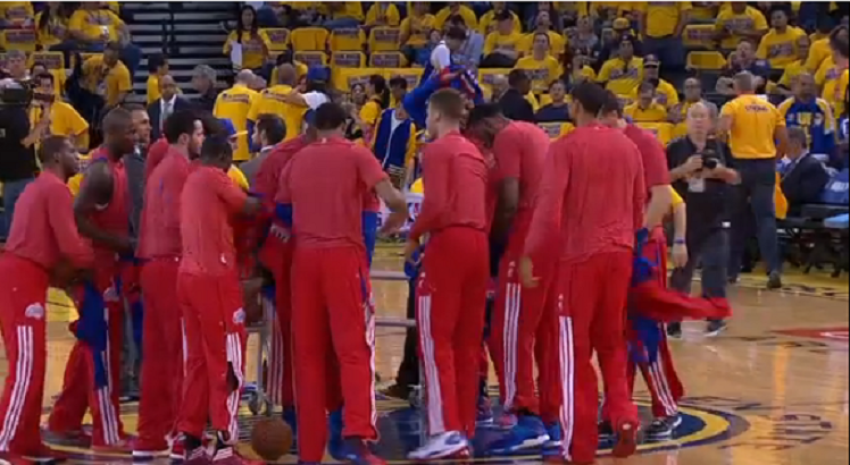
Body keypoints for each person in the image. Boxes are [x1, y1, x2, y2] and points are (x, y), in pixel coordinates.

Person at [276, 102, 407, 464]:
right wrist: (397, 216)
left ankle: (309, 449)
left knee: (308, 357)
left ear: (314, 127)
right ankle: (358, 439)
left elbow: (282, 213)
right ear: (346, 124)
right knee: (354, 351)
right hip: (342, 257)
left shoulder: (295, 161)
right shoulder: (357, 155)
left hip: (304, 260)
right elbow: (393, 198)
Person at [519, 82, 643, 464]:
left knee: (573, 353)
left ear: (575, 107)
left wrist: (530, 254)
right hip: (620, 252)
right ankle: (623, 415)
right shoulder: (630, 146)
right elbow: (639, 208)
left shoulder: (567, 147)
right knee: (611, 343)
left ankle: (577, 447)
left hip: (581, 257)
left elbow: (548, 209)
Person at [464, 104, 557, 452]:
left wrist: (493, 246)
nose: (481, 143)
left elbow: (509, 200)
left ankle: (526, 415)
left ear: (488, 124)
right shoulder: (535, 133)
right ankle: (552, 416)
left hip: (527, 238)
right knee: (546, 333)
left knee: (509, 332)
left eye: (478, 135)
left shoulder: (507, 136)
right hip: (554, 236)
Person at [405, 89, 489, 460]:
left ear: (437, 115)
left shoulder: (437, 150)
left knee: (436, 340)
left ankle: (444, 430)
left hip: (449, 244)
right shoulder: (474, 151)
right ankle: (464, 429)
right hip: (479, 245)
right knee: (468, 344)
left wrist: (411, 235)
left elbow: (437, 205)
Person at [47, 108, 137, 451]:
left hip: (104, 270)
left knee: (88, 349)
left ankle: (63, 422)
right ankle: (108, 433)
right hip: (95, 273)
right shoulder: (100, 171)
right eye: (129, 131)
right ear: (111, 134)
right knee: (103, 353)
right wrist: (122, 243)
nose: (135, 135)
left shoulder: (118, 166)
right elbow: (77, 219)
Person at [0, 136, 93, 462]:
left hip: (27, 276)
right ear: (55, 156)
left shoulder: (40, 187)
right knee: (25, 368)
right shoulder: (54, 189)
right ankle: (5, 445)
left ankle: (26, 440)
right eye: (71, 150)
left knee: (34, 366)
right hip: (21, 278)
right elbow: (70, 247)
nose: (78, 156)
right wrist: (98, 258)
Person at [598, 92, 680, 441]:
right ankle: (617, 406)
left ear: (616, 115)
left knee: (647, 329)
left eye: (600, 121)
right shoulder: (605, 145)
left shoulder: (644, 142)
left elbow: (664, 198)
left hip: (644, 247)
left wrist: (639, 236)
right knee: (617, 332)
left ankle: (667, 407)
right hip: (616, 247)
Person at [176, 135, 262, 464]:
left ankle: (191, 440)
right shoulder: (214, 176)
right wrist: (268, 196)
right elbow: (248, 207)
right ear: (225, 156)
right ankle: (225, 445)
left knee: (197, 360)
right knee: (227, 359)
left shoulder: (190, 179)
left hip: (187, 276)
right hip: (214, 277)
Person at [134, 110, 205, 460]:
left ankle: (149, 436)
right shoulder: (181, 171)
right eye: (199, 133)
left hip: (150, 266)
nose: (202, 140)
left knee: (157, 357)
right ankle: (182, 434)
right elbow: (185, 224)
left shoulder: (158, 170)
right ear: (183, 138)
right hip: (173, 265)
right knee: (182, 355)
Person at [667, 102, 741, 339]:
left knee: (715, 267)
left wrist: (719, 171)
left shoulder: (720, 148)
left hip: (715, 217)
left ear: (710, 122)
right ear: (687, 121)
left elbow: (736, 177)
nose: (698, 121)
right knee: (682, 272)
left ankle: (716, 318)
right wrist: (684, 169)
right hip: (685, 218)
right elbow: (661, 178)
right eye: (694, 116)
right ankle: (673, 320)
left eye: (703, 117)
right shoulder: (675, 148)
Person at [718, 71, 789, 289]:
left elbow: (722, 131)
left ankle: (731, 272)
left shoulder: (733, 106)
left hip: (741, 165)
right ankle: (773, 269)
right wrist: (773, 159)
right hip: (766, 165)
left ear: (737, 87)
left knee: (737, 219)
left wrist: (725, 156)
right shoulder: (771, 108)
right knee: (766, 218)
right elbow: (784, 139)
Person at [0, 80, 44, 239]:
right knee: (28, 220)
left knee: (11, 222)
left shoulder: (3, 113)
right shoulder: (17, 115)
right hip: (23, 175)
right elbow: (25, 141)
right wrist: (42, 124)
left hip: (6, 176)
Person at [779, 72, 837, 158]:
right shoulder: (785, 107)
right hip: (790, 158)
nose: (807, 88)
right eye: (803, 84)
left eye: (811, 85)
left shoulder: (822, 106)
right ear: (794, 86)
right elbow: (777, 135)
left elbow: (830, 133)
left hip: (818, 157)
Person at [780, 126, 832, 214]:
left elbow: (806, 195)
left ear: (796, 143)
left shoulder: (812, 166)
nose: (784, 149)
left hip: (800, 211)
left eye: (786, 144)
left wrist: (778, 191)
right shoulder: (791, 165)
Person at [214, 70, 260, 163]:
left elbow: (215, 120)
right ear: (250, 81)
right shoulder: (254, 96)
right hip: (246, 149)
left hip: (225, 149)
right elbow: (256, 121)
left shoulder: (221, 96)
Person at [241, 113, 286, 186]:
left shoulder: (247, 168)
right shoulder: (292, 160)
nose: (252, 136)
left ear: (263, 134)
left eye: (255, 131)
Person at [148, 74, 192, 141]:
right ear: (159, 89)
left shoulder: (185, 105)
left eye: (170, 86)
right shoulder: (152, 108)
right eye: (165, 86)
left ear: (175, 87)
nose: (168, 89)